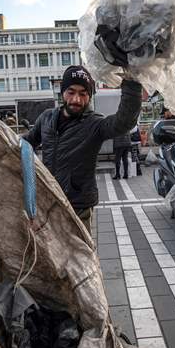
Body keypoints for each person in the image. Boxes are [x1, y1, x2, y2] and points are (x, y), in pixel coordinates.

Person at [23, 65, 142, 232]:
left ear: (90, 96)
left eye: (83, 94)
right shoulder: (47, 118)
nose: (76, 100)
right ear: (62, 92)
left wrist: (132, 82)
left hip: (78, 206)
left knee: (80, 257)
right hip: (48, 202)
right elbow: (25, 144)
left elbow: (123, 122)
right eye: (71, 92)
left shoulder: (94, 124)